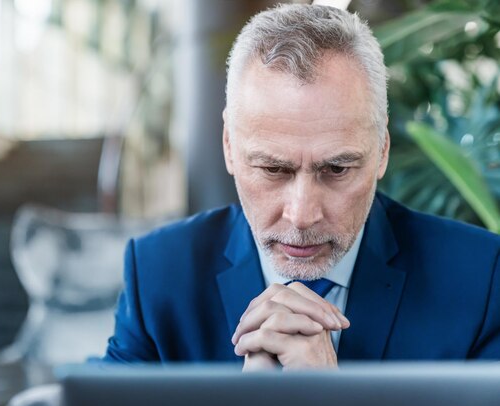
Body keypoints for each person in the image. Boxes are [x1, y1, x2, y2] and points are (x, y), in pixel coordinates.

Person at [102, 3, 500, 370]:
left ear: (381, 151)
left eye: (338, 169)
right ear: (229, 146)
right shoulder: (158, 273)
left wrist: (331, 405)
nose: (302, 214)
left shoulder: (481, 279)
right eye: (273, 169)